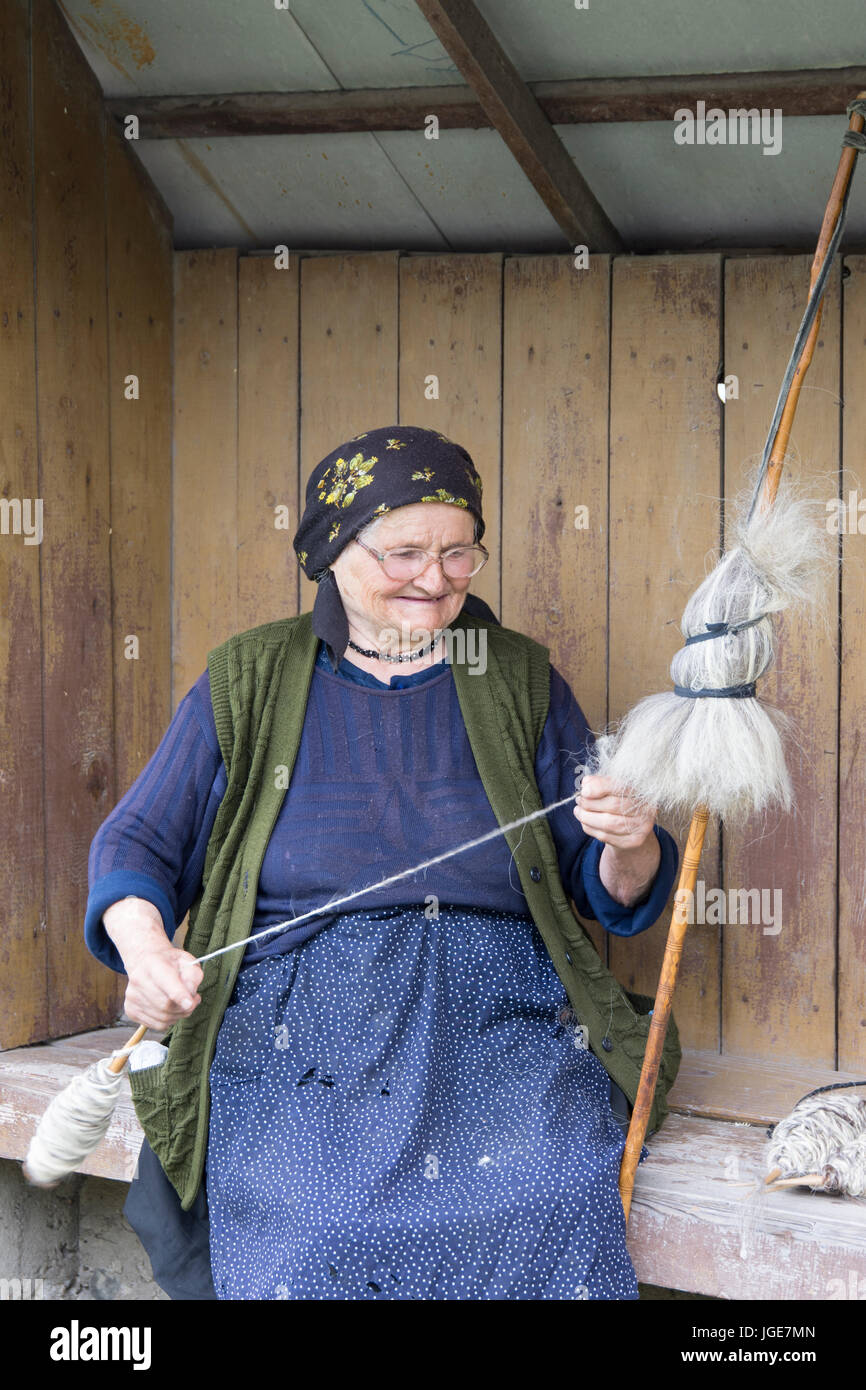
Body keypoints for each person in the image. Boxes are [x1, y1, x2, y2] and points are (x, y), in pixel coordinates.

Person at [85, 424, 680, 1301]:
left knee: (548, 1186)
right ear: (335, 547)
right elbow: (137, 843)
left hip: (498, 1017)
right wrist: (145, 950)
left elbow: (606, 890)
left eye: (460, 554)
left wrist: (631, 843)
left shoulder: (516, 677)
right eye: (405, 553)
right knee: (321, 1216)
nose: (435, 581)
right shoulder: (248, 678)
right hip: (300, 1023)